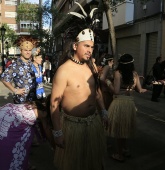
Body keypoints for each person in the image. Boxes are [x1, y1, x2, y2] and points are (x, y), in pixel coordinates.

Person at [50, 2, 108, 170]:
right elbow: (54, 104)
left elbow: (97, 92)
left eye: (92, 46)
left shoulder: (92, 67)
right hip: (72, 127)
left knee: (93, 163)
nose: (90, 50)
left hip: (93, 123)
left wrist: (103, 111)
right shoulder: (63, 70)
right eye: (86, 46)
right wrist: (57, 132)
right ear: (75, 46)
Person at [108, 54, 147, 162]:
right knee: (125, 127)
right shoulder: (135, 74)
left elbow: (115, 91)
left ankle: (119, 155)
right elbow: (140, 90)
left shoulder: (117, 73)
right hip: (130, 104)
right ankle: (125, 149)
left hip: (119, 103)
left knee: (119, 130)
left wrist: (107, 83)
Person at [0, 97, 54, 170]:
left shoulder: (34, 104)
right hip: (7, 125)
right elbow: (47, 131)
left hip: (4, 114)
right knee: (13, 150)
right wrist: (54, 146)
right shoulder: (41, 114)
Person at [0, 36, 37, 104]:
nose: (28, 52)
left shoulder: (32, 64)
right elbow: (4, 78)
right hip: (21, 101)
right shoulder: (15, 65)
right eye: (25, 50)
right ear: (21, 51)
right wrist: (15, 90)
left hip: (34, 101)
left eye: (30, 50)